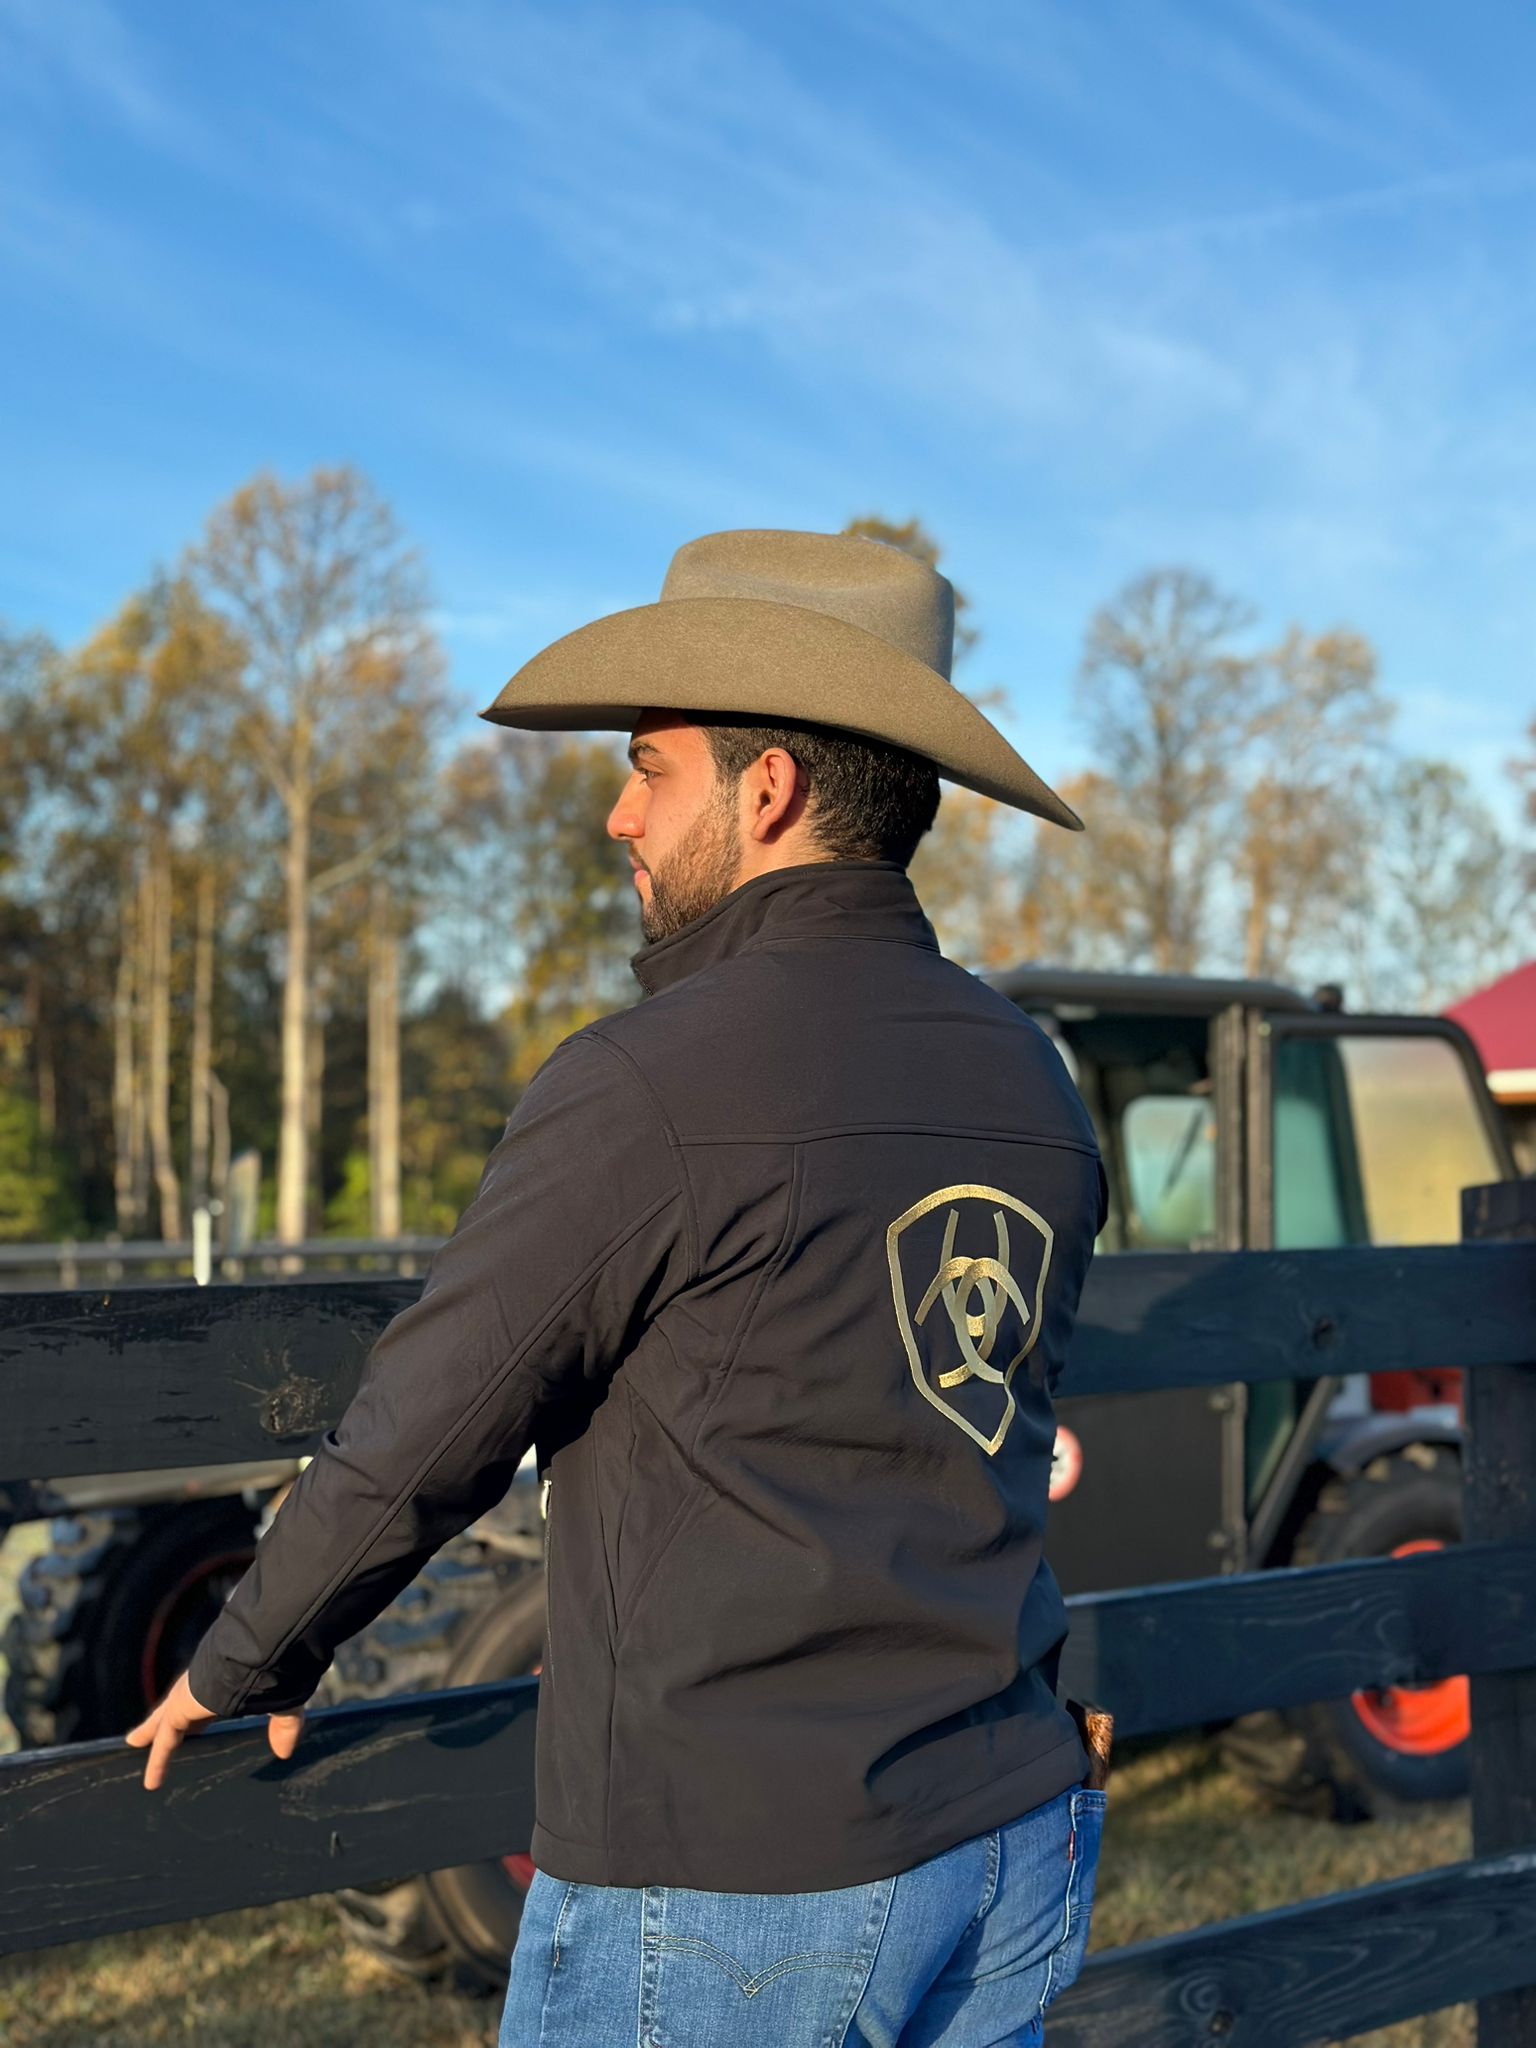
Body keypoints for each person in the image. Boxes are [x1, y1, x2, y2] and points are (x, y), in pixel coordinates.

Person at [126, 529, 1110, 2046]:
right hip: (1003, 1836)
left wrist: (244, 1655)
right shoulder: (1029, 1080)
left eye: (650, 766)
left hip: (736, 1875)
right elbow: (994, 1415)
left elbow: (430, 1424)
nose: (615, 813)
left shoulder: (650, 1083)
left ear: (765, 788)